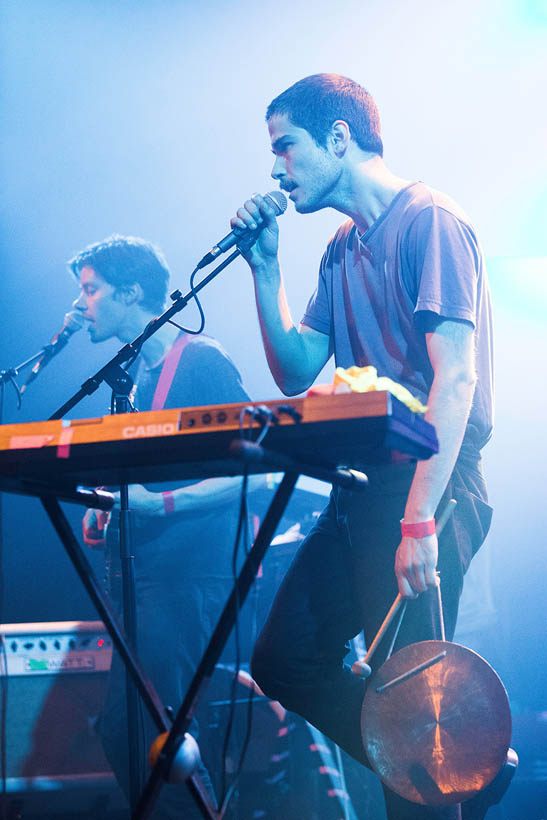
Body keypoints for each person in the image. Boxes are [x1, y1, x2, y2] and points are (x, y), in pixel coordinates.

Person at [231, 74, 496, 820]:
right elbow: (293, 367)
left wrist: (418, 518)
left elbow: (457, 378)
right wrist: (265, 269)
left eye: (285, 146)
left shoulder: (429, 220)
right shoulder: (341, 248)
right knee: (286, 659)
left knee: (404, 681)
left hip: (429, 481)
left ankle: (442, 768)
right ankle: (449, 762)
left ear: (338, 137)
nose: (275, 167)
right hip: (362, 486)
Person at [69, 234, 252, 818]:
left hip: (184, 581)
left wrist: (160, 507)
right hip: (147, 582)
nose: (83, 305)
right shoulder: (133, 382)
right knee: (138, 735)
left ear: (131, 293)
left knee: (158, 737)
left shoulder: (201, 361)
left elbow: (257, 471)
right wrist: (111, 504)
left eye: (92, 290)